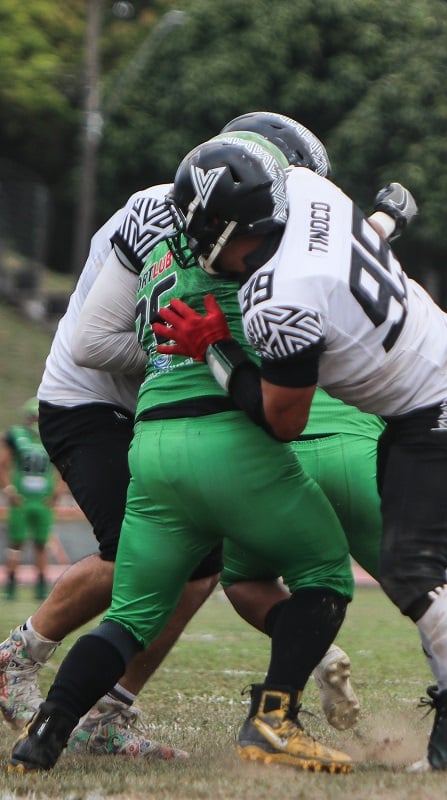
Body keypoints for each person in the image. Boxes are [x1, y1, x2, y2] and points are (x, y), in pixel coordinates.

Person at [143, 136, 447, 778]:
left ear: (226, 226)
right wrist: (393, 215)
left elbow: (284, 419)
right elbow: (367, 233)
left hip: (440, 402)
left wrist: (215, 351)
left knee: (409, 565)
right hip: (439, 379)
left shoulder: (273, 299)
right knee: (413, 561)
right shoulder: (313, 194)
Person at [0, 112, 358, 762]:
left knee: (195, 567)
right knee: (133, 558)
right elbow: (94, 342)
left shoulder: (232, 225)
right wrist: (205, 357)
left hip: (160, 414)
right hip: (90, 402)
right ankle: (18, 656)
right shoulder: (156, 210)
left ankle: (111, 709)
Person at [1, 400, 61, 601]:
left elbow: (63, 466)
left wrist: (57, 493)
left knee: (41, 543)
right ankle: (10, 586)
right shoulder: (17, 436)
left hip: (42, 499)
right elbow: (3, 463)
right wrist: (9, 490)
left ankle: (41, 587)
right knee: (16, 543)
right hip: (22, 498)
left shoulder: (51, 437)